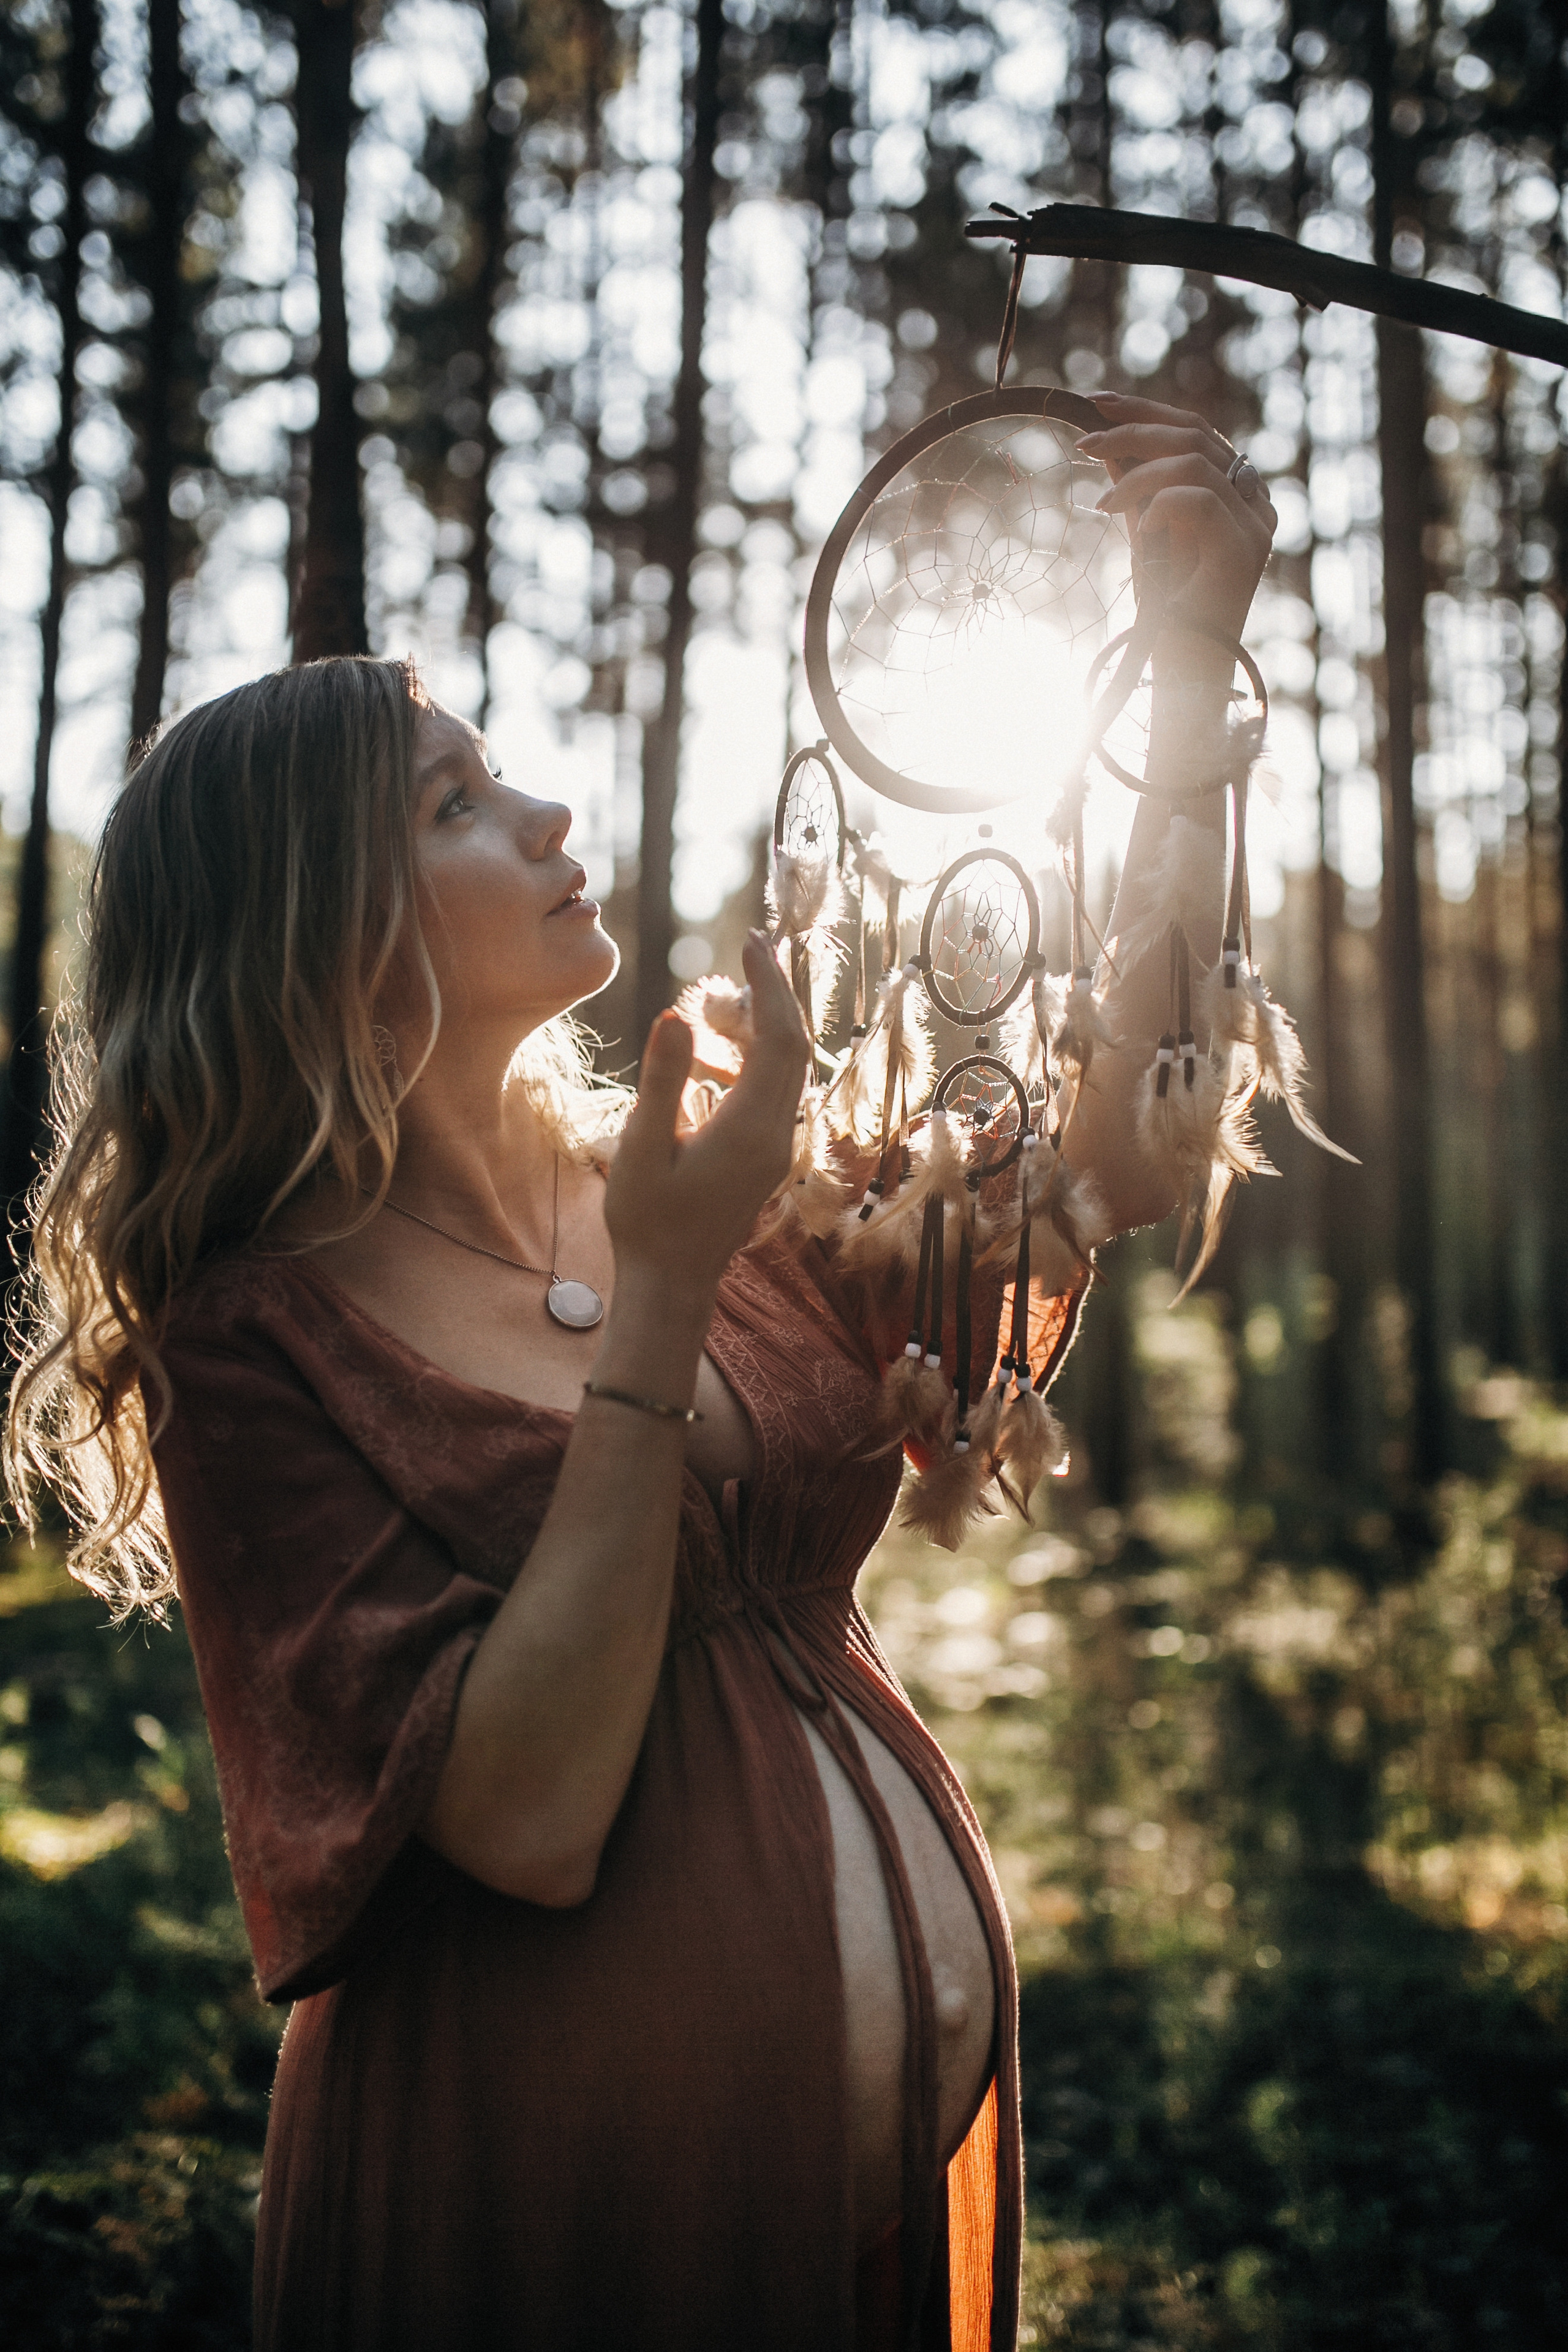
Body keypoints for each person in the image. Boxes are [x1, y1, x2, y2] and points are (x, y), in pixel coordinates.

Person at [7, 394, 1273, 2350]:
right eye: (453, 807)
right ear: (313, 935)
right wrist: (666, 1296)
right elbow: (524, 1811)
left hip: (856, 2192)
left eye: (504, 776)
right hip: (536, 2191)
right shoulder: (255, 1337)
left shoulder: (692, 1173)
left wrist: (1186, 691)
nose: (551, 819)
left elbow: (1121, 1149)